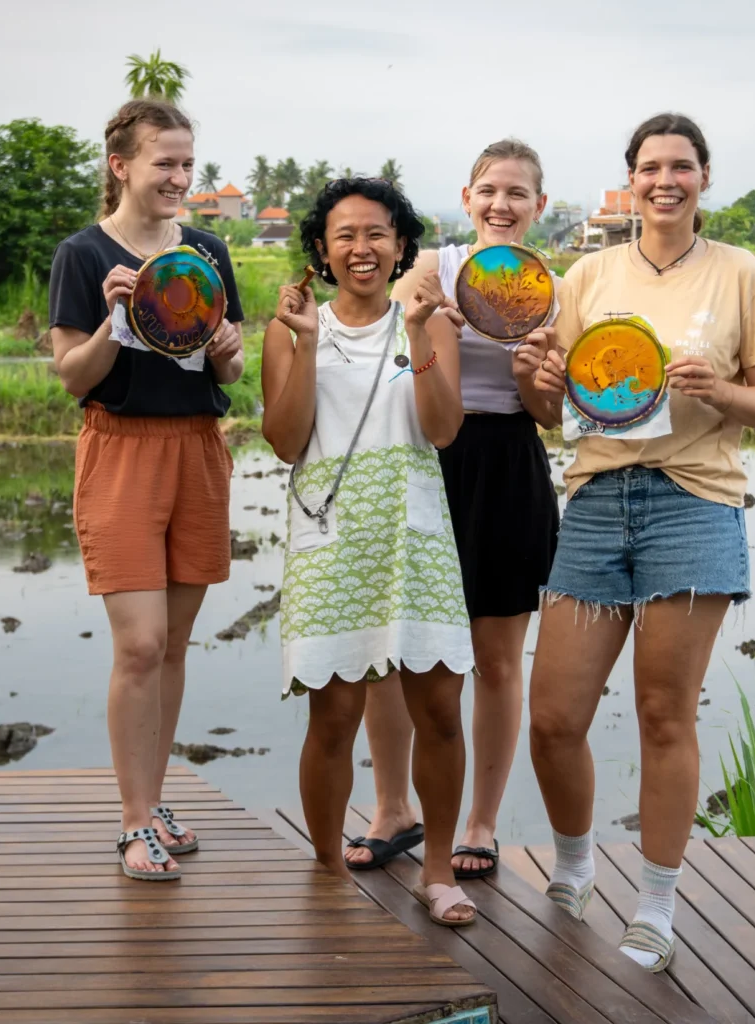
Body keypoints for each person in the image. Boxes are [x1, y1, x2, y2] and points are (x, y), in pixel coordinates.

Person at [524, 112, 755, 970]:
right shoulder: (588, 275)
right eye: (650, 167)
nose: (665, 180)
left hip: (695, 501)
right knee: (554, 717)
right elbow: (552, 411)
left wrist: (718, 387)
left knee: (662, 713)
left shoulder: (741, 272)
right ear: (629, 181)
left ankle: (658, 908)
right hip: (598, 499)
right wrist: (537, 380)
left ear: (704, 178)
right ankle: (573, 866)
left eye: (681, 166)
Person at [261, 177, 478, 927]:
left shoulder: (432, 324)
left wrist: (419, 337)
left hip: (414, 533)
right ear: (321, 249)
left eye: (377, 233)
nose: (362, 248)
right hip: (331, 538)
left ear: (401, 245)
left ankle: (440, 871)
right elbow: (287, 440)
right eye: (345, 235)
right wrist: (309, 343)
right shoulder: (292, 327)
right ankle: (325, 869)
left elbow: (442, 427)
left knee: (442, 709)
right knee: (334, 714)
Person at [344, 140, 562, 881]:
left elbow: (549, 414)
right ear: (467, 198)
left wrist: (535, 365)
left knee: (497, 660)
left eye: (518, 193)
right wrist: (432, 326)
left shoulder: (550, 289)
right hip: (423, 457)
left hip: (507, 462)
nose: (502, 204)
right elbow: (388, 357)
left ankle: (480, 822)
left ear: (540, 206)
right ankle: (391, 807)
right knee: (396, 648)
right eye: (489, 190)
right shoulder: (431, 269)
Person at [49, 99, 245, 880]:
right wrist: (113, 323)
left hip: (197, 448)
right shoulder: (84, 255)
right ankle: (134, 824)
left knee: (173, 648)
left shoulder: (207, 250)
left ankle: (154, 799)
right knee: (139, 644)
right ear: (120, 164)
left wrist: (230, 348)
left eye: (188, 163)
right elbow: (72, 377)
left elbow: (226, 368)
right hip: (121, 451)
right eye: (165, 162)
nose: (179, 177)